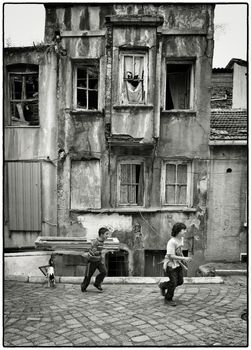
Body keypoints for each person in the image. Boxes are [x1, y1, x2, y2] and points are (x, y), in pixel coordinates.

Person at [159, 223, 192, 306]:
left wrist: (183, 259)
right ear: (178, 231)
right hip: (170, 265)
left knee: (180, 281)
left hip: (178, 264)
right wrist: (184, 258)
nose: (185, 231)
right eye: (183, 230)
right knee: (173, 282)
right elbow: (171, 256)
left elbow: (179, 251)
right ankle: (168, 299)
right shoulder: (171, 242)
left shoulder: (181, 239)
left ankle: (163, 285)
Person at [81, 227, 109, 293]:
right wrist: (101, 252)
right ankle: (83, 287)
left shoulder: (102, 242)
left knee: (104, 272)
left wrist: (101, 257)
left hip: (98, 261)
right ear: (102, 235)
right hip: (91, 261)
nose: (108, 236)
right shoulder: (95, 242)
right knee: (88, 276)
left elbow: (100, 250)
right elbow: (92, 253)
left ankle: (97, 284)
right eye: (106, 234)